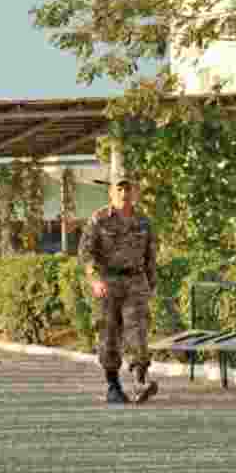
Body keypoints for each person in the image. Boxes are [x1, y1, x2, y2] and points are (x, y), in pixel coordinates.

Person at [79, 170, 158, 404]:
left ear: (135, 192)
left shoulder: (143, 221)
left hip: (135, 283)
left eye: (128, 189)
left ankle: (140, 382)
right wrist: (94, 279)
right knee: (109, 335)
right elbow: (85, 253)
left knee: (139, 333)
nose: (124, 194)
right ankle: (113, 386)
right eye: (119, 189)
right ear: (111, 193)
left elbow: (150, 256)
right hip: (108, 284)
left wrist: (150, 284)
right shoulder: (99, 219)